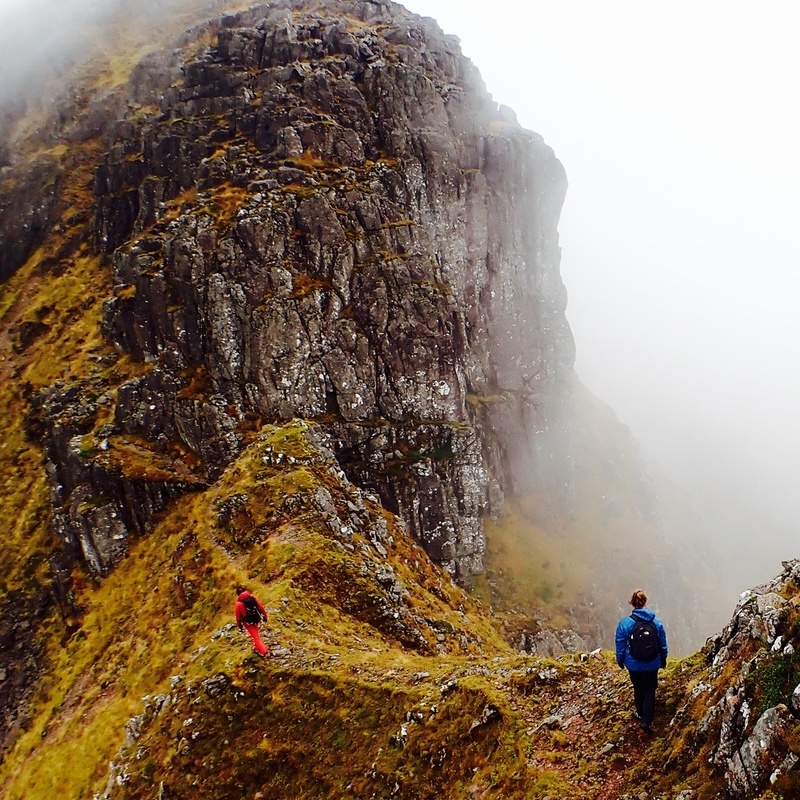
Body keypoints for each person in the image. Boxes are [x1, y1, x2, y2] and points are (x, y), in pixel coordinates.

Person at [615, 588, 668, 734]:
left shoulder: (625, 623)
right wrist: (663, 659)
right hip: (652, 662)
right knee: (650, 689)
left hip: (633, 664)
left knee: (638, 687)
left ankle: (639, 713)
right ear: (645, 602)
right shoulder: (657, 623)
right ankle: (647, 721)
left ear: (632, 603)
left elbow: (620, 644)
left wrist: (620, 660)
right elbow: (662, 645)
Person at [234, 585, 269, 659]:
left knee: (255, 637)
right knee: (256, 633)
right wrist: (265, 616)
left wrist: (240, 626)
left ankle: (264, 652)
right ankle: (256, 648)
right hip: (256, 618)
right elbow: (261, 607)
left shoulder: (238, 604)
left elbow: (238, 618)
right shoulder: (253, 598)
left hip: (248, 622)